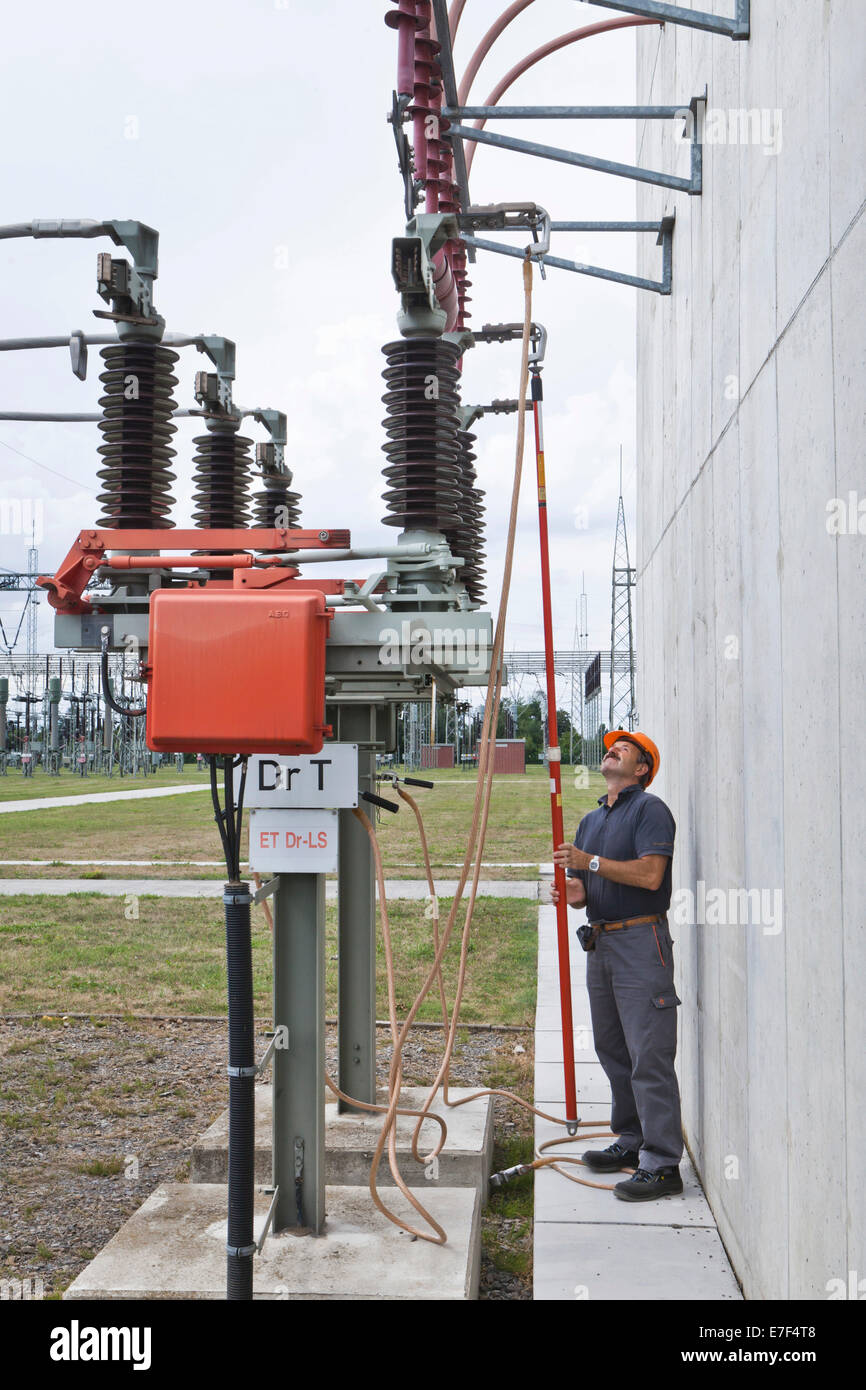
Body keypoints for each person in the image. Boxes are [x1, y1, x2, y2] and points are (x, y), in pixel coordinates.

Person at [550, 730, 683, 1201]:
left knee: (649, 1053)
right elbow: (584, 891)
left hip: (640, 941)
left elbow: (650, 875)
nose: (613, 749)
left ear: (643, 768)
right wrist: (570, 892)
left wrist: (592, 861)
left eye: (625, 747)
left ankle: (663, 1163)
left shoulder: (650, 810)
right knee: (613, 1050)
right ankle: (631, 1141)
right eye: (611, 745)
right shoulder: (590, 820)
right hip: (601, 942)